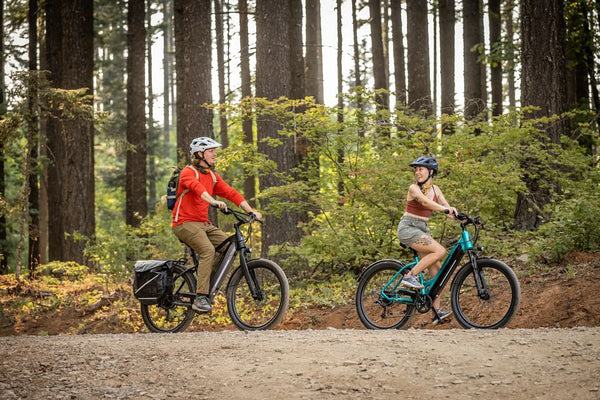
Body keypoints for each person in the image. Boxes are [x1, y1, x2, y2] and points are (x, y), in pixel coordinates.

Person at [172, 137, 262, 314]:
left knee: (229, 246)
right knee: (208, 250)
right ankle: (200, 297)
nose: (215, 154)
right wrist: (213, 201)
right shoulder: (188, 172)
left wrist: (250, 211)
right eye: (211, 150)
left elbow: (231, 193)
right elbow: (198, 189)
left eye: (215, 150)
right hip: (184, 223)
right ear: (200, 154)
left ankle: (206, 284)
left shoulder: (212, 176)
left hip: (203, 224)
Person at [396, 156, 458, 325]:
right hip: (408, 228)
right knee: (440, 251)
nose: (417, 172)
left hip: (422, 229)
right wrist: (445, 209)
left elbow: (447, 207)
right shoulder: (413, 188)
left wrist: (459, 216)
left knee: (439, 275)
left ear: (431, 172)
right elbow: (426, 203)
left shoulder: (436, 190)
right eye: (416, 169)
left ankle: (436, 312)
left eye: (420, 169)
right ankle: (410, 277)